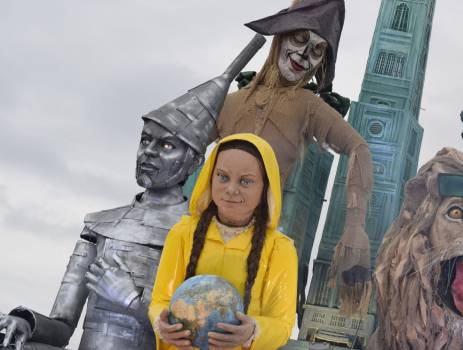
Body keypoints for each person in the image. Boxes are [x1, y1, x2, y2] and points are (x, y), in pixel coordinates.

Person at [0, 37, 263, 350]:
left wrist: (131, 300)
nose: (149, 153)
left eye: (166, 146)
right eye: (145, 141)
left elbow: (198, 334)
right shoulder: (99, 227)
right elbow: (62, 328)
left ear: (194, 161)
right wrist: (25, 321)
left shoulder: (203, 235)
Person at [217, 0, 373, 314]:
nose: (304, 55)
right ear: (281, 36)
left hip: (259, 239)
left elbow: (358, 148)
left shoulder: (307, 105)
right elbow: (179, 137)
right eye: (300, 39)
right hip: (205, 230)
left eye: (317, 50)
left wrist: (355, 225)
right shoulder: (230, 101)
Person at [149, 133, 297, 350]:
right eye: (223, 176)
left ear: (265, 187)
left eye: (246, 181)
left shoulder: (279, 249)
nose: (231, 189)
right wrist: (161, 324)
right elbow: (160, 299)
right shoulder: (183, 233)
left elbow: (282, 324)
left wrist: (253, 330)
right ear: (210, 176)